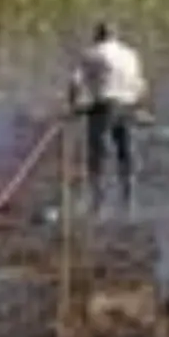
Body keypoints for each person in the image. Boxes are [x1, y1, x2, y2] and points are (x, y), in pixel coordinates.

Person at [67, 21, 149, 214]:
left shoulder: (92, 53)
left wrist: (74, 106)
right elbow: (141, 84)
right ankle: (129, 201)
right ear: (116, 35)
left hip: (104, 107)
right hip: (127, 107)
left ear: (97, 35)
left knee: (97, 154)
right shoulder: (130, 54)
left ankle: (98, 202)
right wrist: (141, 108)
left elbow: (75, 82)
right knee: (126, 153)